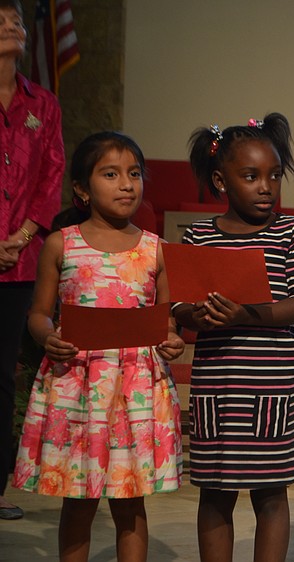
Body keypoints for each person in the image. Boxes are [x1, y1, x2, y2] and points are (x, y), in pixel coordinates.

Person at [13, 131, 185, 561]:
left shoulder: (155, 249)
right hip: (79, 387)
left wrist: (171, 339)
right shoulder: (61, 243)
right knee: (79, 497)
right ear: (82, 189)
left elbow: (166, 319)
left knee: (131, 499)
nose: (127, 184)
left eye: (134, 173)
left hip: (136, 390)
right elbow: (38, 313)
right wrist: (46, 336)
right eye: (111, 174)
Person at [174, 113, 294, 562]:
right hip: (216, 387)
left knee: (270, 492)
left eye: (274, 176)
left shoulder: (292, 231)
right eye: (251, 176)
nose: (266, 187)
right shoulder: (197, 236)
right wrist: (194, 313)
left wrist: (244, 315)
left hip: (269, 387)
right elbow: (177, 304)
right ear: (221, 181)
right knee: (214, 492)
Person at [0, 0, 64, 521]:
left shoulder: (42, 101)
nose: (12, 26)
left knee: (4, 375)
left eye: (16, 19)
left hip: (18, 262)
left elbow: (51, 178)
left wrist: (21, 236)